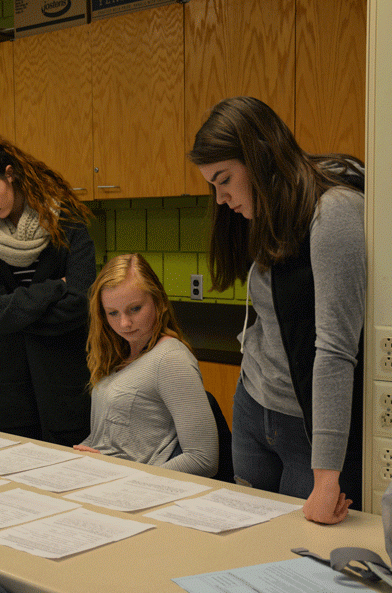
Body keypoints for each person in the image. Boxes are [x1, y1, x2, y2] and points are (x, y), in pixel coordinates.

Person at [188, 97, 366, 524]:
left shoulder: (334, 211)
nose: (220, 198)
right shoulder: (269, 215)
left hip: (307, 428)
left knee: (303, 553)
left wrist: (326, 480)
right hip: (254, 408)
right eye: (212, 185)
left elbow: (336, 350)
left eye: (225, 179)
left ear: (260, 156)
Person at [0, 127, 95, 446]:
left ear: (10, 173)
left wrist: (4, 304)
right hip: (7, 392)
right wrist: (53, 289)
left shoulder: (66, 220)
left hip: (65, 384)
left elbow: (79, 305)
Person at [75, 253, 218, 477]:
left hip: (139, 488)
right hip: (105, 479)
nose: (124, 323)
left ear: (158, 302)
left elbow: (203, 459)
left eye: (135, 309)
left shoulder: (170, 359)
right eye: (113, 313)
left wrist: (128, 476)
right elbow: (109, 442)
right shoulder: (118, 355)